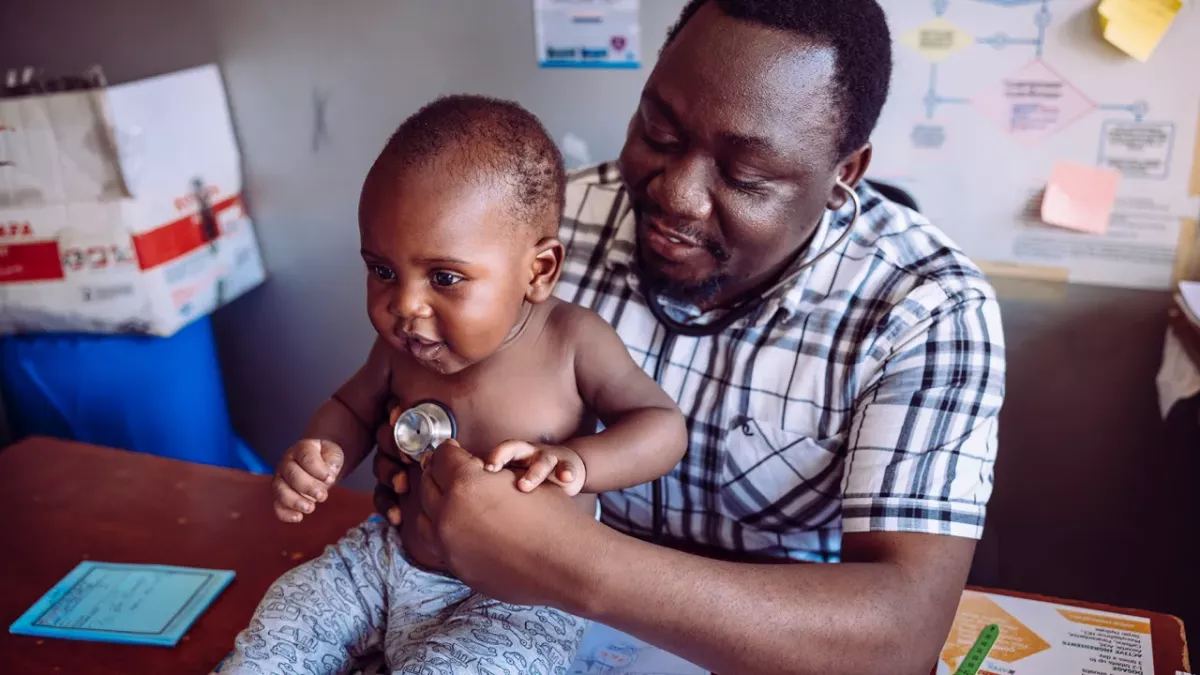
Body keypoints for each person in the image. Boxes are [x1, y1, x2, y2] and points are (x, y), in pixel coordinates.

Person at [372, 2, 1007, 675]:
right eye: (660, 132)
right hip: (506, 626)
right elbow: (423, 399)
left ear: (844, 174)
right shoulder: (534, 240)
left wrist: (572, 564)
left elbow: (902, 634)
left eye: (745, 177)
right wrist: (432, 473)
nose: (676, 195)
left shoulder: (927, 309)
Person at [217, 95, 688, 675]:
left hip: (519, 597)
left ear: (538, 270)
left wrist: (575, 462)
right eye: (382, 270)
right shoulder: (404, 349)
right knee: (277, 630)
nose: (405, 305)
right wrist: (320, 454)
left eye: (445, 277)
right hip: (385, 559)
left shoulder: (574, 341)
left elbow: (661, 427)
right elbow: (351, 407)